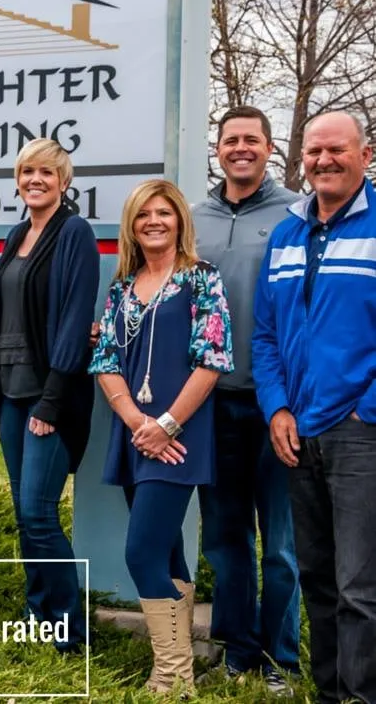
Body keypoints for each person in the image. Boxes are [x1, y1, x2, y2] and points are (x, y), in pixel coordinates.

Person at [89, 179, 233, 694]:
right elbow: (105, 359)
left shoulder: (201, 280)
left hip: (178, 440)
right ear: (131, 224)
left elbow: (212, 360)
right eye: (143, 213)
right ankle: (174, 668)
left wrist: (166, 424)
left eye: (164, 212)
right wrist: (136, 422)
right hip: (135, 435)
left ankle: (173, 675)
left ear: (179, 221)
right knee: (167, 552)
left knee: (141, 553)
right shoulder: (121, 287)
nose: (154, 220)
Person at [253, 111, 376, 704]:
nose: (323, 160)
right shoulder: (286, 234)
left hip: (361, 431)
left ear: (365, 154)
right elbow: (266, 336)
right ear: (299, 158)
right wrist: (277, 408)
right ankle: (329, 693)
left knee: (361, 586)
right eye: (313, 151)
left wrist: (366, 412)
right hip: (297, 431)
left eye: (336, 150)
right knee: (319, 578)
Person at [192, 106, 301, 690]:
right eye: (231, 139)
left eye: (251, 140)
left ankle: (282, 661)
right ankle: (238, 653)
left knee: (280, 544)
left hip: (277, 404)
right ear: (218, 149)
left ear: (268, 147)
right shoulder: (192, 217)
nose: (241, 148)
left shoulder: (297, 213)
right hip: (210, 403)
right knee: (225, 537)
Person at [0, 138, 99, 654]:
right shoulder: (15, 234)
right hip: (10, 393)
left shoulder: (75, 234)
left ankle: (70, 630)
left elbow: (74, 321)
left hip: (52, 395)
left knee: (38, 512)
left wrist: (51, 402)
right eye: (27, 171)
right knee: (21, 509)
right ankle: (37, 612)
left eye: (46, 173)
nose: (35, 180)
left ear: (63, 182)